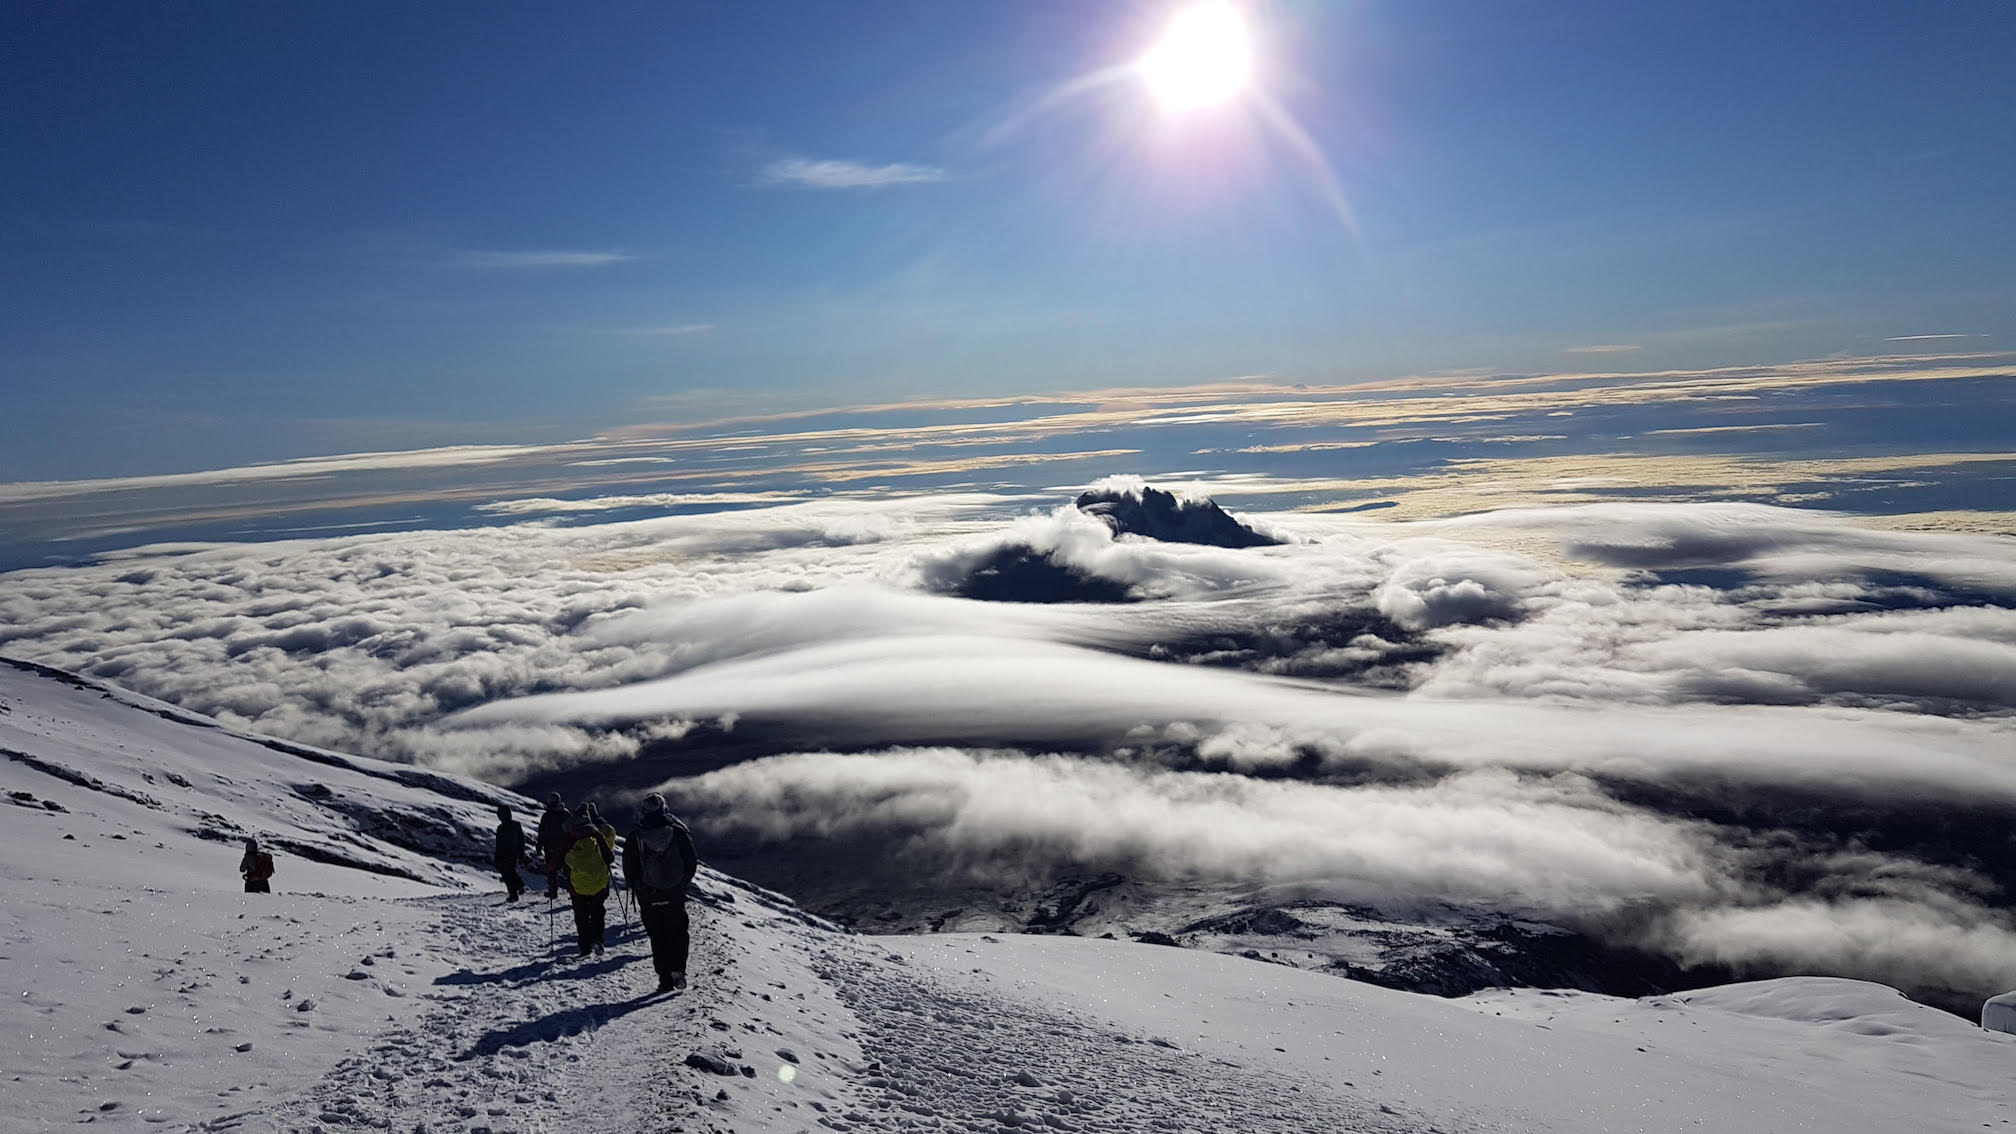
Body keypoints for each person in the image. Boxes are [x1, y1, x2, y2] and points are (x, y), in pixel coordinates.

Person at [622, 793, 698, 993]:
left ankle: (664, 979)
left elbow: (629, 869)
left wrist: (639, 886)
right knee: (679, 933)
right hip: (674, 892)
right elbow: (691, 861)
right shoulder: (678, 832)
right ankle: (678, 970)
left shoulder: (635, 837)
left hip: (648, 895)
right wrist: (682, 883)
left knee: (658, 936)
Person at [560, 803, 617, 957]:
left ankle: (585, 947)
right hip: (599, 885)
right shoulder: (600, 840)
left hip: (578, 888)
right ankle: (598, 940)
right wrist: (596, 818)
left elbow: (566, 860)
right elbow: (610, 832)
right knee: (597, 913)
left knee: (581, 916)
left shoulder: (572, 842)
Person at [536, 793, 570, 899]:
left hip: (550, 847)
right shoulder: (566, 814)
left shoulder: (547, 816)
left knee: (552, 870)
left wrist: (539, 847)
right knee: (568, 870)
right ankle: (575, 891)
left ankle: (553, 892)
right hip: (565, 847)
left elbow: (542, 832)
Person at [494, 804, 527, 902]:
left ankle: (515, 892)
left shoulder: (502, 827)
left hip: (507, 853)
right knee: (509, 872)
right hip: (511, 853)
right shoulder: (515, 825)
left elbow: (499, 843)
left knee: (507, 874)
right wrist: (521, 851)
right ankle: (517, 888)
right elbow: (521, 839)